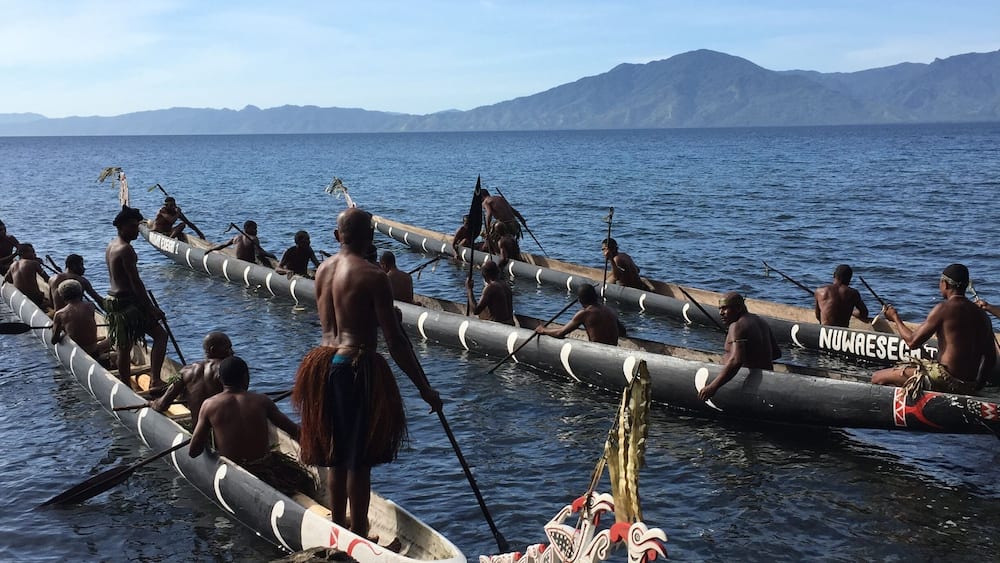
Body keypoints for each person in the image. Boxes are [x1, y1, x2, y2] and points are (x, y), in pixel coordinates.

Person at [294, 206, 442, 541]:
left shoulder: (323, 270)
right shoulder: (374, 274)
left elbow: (347, 316)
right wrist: (425, 389)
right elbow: (395, 341)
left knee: (335, 453)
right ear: (371, 236)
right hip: (354, 366)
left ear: (337, 236)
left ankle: (338, 522)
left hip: (322, 365)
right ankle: (359, 531)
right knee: (358, 458)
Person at [190, 356, 314, 497]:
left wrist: (211, 449)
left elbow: (194, 450)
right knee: (304, 480)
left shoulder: (209, 405)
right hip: (265, 467)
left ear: (219, 379)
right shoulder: (261, 401)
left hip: (233, 469)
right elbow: (295, 431)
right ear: (245, 377)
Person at [871, 264, 997, 394]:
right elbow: (990, 358)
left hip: (944, 380)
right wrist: (977, 386)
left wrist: (895, 318)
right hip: (969, 384)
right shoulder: (983, 315)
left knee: (877, 377)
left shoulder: (944, 308)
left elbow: (912, 342)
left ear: (945, 284)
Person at [105, 204, 169, 389]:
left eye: (137, 226)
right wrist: (150, 308)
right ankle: (155, 380)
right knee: (160, 336)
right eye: (132, 226)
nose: (136, 231)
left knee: (124, 345)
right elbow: (136, 283)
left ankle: (125, 384)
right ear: (121, 226)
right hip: (128, 303)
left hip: (114, 300)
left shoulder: (112, 245)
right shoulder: (126, 250)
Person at [698, 292, 781, 401]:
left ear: (738, 308)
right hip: (767, 377)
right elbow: (777, 353)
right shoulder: (761, 321)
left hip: (751, 382)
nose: (721, 313)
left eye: (724, 309)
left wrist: (712, 387)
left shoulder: (737, 326)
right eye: (720, 309)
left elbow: (737, 361)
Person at [148, 331, 233, 424]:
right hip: (224, 432)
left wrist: (152, 404)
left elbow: (162, 405)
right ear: (213, 350)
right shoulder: (228, 369)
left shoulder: (186, 371)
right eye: (228, 348)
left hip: (199, 431)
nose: (232, 352)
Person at [535, 284, 622, 345]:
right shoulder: (609, 310)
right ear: (596, 296)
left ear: (580, 300)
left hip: (597, 351)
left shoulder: (585, 313)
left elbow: (560, 333)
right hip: (613, 347)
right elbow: (623, 331)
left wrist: (543, 330)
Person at [50, 279, 112, 364]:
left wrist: (59, 328)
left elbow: (54, 340)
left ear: (62, 296)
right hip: (93, 349)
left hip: (80, 350)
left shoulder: (59, 314)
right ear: (80, 292)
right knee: (113, 339)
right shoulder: (90, 306)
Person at [465, 259, 514, 325]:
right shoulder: (506, 285)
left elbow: (476, 311)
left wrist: (469, 289)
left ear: (484, 276)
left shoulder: (491, 288)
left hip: (499, 326)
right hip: (511, 323)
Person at [3, 243, 50, 309]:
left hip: (20, 297)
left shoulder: (13, 265)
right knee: (46, 297)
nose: (34, 254)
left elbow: (7, 279)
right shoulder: (33, 263)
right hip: (35, 298)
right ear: (23, 253)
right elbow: (47, 279)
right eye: (32, 252)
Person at [207, 220, 276, 265]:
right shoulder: (253, 238)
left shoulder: (236, 237)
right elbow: (259, 253)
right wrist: (271, 255)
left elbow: (223, 245)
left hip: (238, 261)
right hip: (249, 263)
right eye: (254, 228)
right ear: (247, 228)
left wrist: (211, 249)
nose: (256, 231)